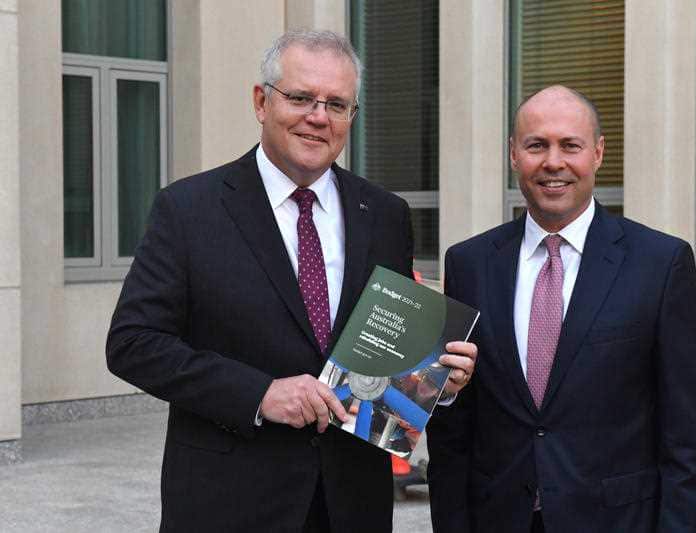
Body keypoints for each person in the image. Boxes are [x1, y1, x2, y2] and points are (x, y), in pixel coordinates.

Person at [106, 30, 476, 533]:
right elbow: (133, 344)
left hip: (351, 504)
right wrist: (260, 393)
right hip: (229, 502)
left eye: (337, 104)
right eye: (301, 98)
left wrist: (436, 378)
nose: (318, 117)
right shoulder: (188, 209)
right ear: (262, 102)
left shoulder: (386, 215)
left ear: (351, 117)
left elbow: (383, 352)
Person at [426, 85, 696, 533]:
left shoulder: (660, 265)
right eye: (536, 145)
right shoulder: (469, 264)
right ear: (513, 154)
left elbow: (692, 439)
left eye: (571, 145)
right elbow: (454, 427)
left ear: (598, 154)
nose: (553, 162)